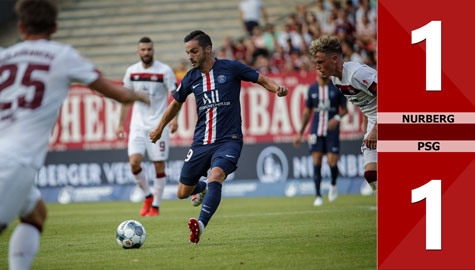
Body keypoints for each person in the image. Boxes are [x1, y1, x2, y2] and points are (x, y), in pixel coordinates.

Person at [0, 1, 150, 269]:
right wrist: (138, 95)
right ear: (55, 27)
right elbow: (114, 91)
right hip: (15, 161)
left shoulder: (5, 56)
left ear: (21, 27)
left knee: (36, 214)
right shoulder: (62, 55)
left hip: (7, 154)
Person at [149, 30, 288, 244]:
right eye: (187, 52)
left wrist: (276, 88)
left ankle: (201, 224)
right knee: (182, 193)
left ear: (207, 49)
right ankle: (201, 188)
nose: (190, 57)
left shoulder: (231, 68)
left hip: (228, 140)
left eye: (194, 51)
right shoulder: (191, 77)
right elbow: (176, 103)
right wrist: (159, 128)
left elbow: (261, 79)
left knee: (216, 175)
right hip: (201, 143)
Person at [116, 37, 178, 217]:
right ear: (138, 51)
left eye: (149, 49)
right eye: (143, 50)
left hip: (158, 125)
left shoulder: (164, 71)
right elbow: (126, 100)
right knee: (134, 163)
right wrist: (120, 124)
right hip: (137, 126)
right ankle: (148, 196)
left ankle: (156, 207)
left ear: (153, 50)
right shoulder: (131, 72)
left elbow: (176, 97)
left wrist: (174, 119)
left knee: (159, 166)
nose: (146, 53)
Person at [309, 34, 377, 191]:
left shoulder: (356, 73)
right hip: (375, 121)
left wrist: (375, 129)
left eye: (320, 62)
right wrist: (367, 126)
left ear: (333, 59)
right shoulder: (336, 80)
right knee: (371, 175)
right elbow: (365, 102)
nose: (317, 67)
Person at [294, 72, 347, 206]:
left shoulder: (336, 88)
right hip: (315, 130)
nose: (321, 71)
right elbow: (307, 112)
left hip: (332, 131)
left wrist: (336, 118)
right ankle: (318, 195)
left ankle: (333, 184)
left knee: (332, 162)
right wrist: (300, 133)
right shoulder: (312, 89)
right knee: (316, 161)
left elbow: (345, 110)